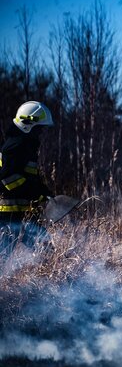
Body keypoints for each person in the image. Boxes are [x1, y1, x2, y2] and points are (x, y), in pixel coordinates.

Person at [0, 101, 55, 259]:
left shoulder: (26, 145)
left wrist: (43, 192)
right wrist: (32, 192)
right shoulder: (15, 146)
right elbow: (8, 178)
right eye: (39, 128)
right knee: (3, 255)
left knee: (45, 249)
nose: (41, 132)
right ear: (28, 124)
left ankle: (52, 278)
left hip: (23, 212)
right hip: (8, 215)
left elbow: (29, 177)